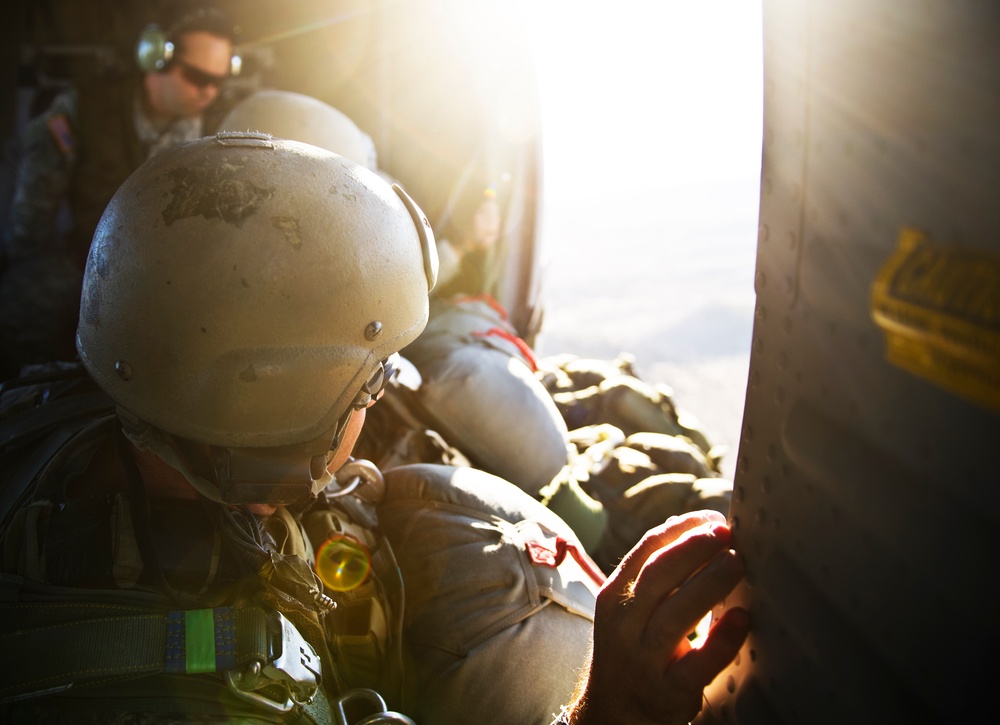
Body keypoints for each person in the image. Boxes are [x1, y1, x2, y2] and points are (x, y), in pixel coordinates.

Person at [0, 134, 748, 724]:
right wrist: (612, 711)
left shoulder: (53, 416)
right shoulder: (198, 700)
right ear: (282, 420)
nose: (379, 401)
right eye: (371, 382)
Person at [0, 2, 237, 379]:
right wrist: (30, 261)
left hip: (180, 273)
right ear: (157, 59)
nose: (208, 91)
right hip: (90, 260)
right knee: (25, 303)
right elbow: (32, 209)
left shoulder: (222, 125)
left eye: (218, 80)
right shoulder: (86, 109)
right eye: (195, 76)